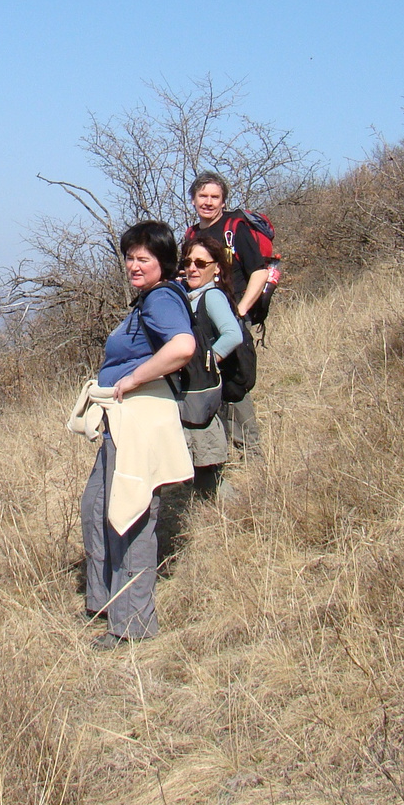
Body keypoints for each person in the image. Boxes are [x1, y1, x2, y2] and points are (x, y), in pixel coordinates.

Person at [75, 221, 195, 647]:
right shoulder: (147, 301)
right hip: (122, 423)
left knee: (129, 517)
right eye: (130, 257)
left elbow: (182, 347)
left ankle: (132, 627)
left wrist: (132, 379)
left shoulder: (162, 299)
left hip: (139, 421)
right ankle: (104, 604)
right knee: (97, 507)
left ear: (163, 263)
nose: (133, 265)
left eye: (144, 258)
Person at [186, 171, 267, 459]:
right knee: (210, 381)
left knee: (234, 384)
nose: (208, 202)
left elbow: (260, 270)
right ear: (193, 199)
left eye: (214, 197)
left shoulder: (235, 229)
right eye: (203, 196)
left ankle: (252, 455)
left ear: (223, 201)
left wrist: (242, 309)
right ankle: (222, 454)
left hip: (231, 317)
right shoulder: (192, 235)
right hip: (203, 320)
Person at [178, 235, 244, 497]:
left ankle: (231, 509)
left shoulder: (212, 296)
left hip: (202, 391)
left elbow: (233, 335)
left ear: (216, 267)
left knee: (206, 467)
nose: (193, 268)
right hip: (192, 391)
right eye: (188, 262)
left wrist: (207, 361)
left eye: (201, 263)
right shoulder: (190, 296)